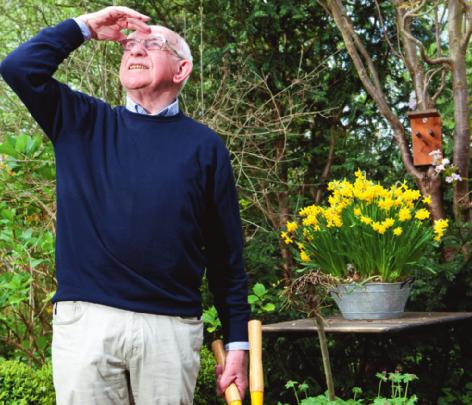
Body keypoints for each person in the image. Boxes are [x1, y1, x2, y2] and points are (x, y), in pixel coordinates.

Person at [0, 6, 250, 404]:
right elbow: (18, 67)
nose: (135, 50)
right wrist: (84, 27)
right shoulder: (81, 121)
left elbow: (226, 255)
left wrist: (239, 341)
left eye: (153, 45)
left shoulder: (205, 147)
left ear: (181, 70)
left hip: (170, 328)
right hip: (87, 322)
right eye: (130, 45)